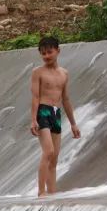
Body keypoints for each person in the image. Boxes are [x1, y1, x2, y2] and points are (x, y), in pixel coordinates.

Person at [30, 37, 82, 197]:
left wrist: (73, 124)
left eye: (49, 52)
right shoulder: (38, 72)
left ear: (58, 51)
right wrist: (33, 119)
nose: (46, 56)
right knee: (48, 151)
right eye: (43, 53)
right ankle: (41, 191)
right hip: (43, 111)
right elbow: (35, 97)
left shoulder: (64, 73)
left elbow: (65, 99)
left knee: (54, 159)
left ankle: (52, 193)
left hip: (56, 113)